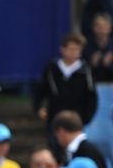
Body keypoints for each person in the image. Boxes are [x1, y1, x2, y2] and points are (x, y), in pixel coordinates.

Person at [33, 32, 98, 160]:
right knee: (55, 149)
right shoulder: (52, 68)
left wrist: (85, 118)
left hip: (77, 121)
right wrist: (39, 107)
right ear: (63, 49)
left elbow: (92, 97)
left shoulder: (86, 70)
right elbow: (41, 90)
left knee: (75, 149)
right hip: (55, 119)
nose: (74, 53)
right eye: (71, 49)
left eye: (78, 50)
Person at [83, 12, 113, 82]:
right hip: (92, 87)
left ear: (110, 27)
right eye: (98, 26)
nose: (102, 29)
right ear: (93, 27)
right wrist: (91, 64)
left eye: (105, 25)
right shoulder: (86, 47)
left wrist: (110, 65)